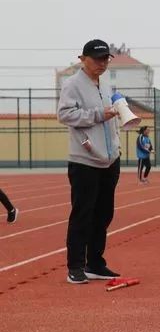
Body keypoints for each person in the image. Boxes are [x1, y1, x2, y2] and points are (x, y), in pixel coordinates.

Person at [57, 39, 122, 284]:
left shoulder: (105, 85)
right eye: (97, 58)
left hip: (109, 160)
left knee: (104, 214)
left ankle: (95, 262)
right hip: (85, 160)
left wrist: (116, 147)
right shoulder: (72, 85)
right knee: (82, 214)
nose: (102, 63)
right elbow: (64, 114)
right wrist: (97, 115)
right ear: (82, 59)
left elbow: (111, 119)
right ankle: (75, 266)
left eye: (106, 58)